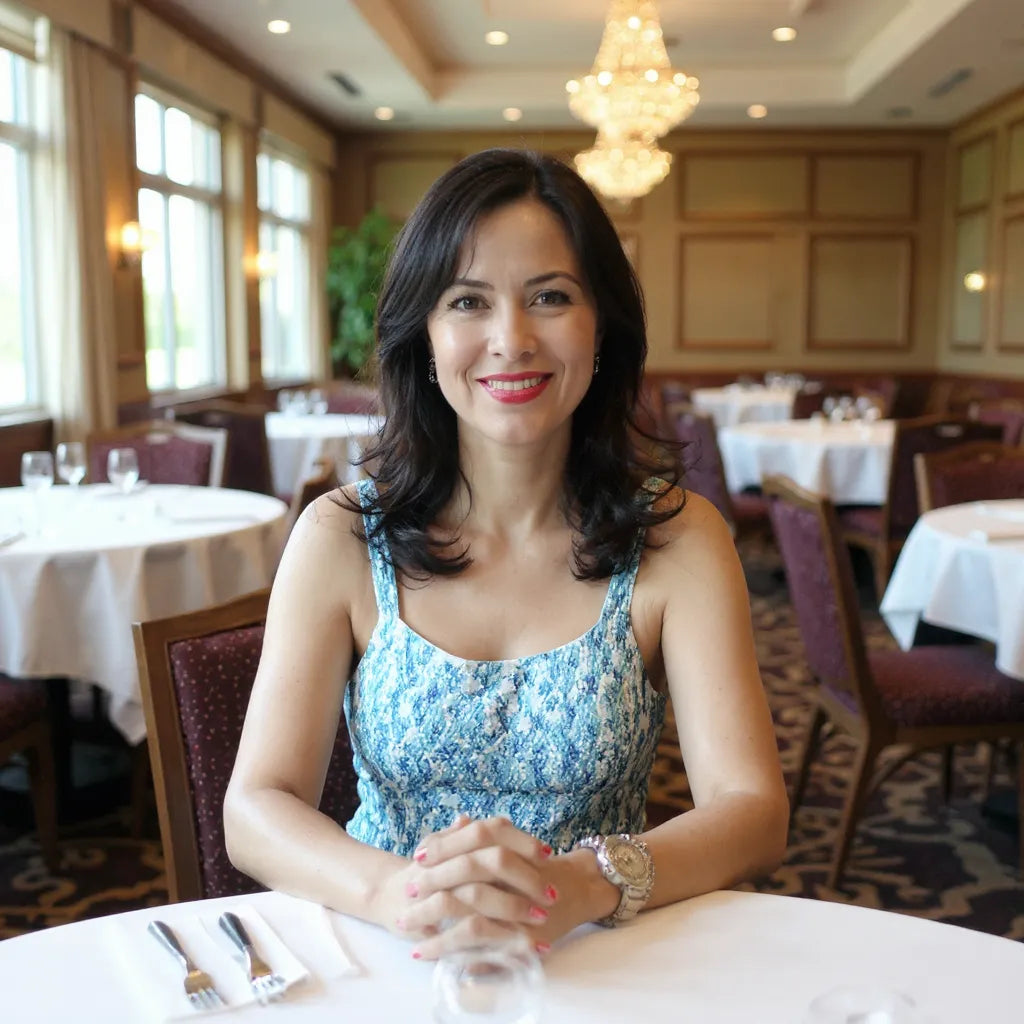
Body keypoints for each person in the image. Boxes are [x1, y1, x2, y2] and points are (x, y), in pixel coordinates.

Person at [224, 148, 788, 959]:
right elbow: (256, 806)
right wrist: (397, 893)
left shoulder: (677, 536)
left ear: (602, 328)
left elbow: (752, 808)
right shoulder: (340, 536)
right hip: (389, 948)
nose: (511, 339)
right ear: (425, 334)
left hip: (600, 950)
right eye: (468, 302)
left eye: (550, 297)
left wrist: (587, 884)